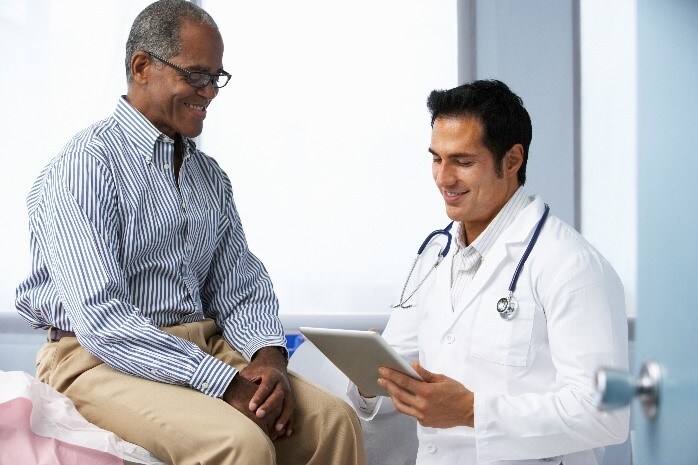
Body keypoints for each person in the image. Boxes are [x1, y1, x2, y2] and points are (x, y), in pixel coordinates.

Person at [15, 1, 365, 464]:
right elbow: (102, 320)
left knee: (334, 422)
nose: (211, 92)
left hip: (200, 346)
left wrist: (268, 359)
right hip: (95, 360)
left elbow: (241, 286)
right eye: (197, 75)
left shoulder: (208, 177)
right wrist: (223, 382)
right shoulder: (86, 166)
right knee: (239, 443)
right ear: (142, 67)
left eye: (217, 78)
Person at [347, 80, 630, 465]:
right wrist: (369, 379)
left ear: (512, 160)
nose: (443, 178)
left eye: (462, 162)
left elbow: (606, 414)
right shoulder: (435, 255)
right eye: (436, 158)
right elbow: (400, 375)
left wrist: (472, 411)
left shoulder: (572, 265)